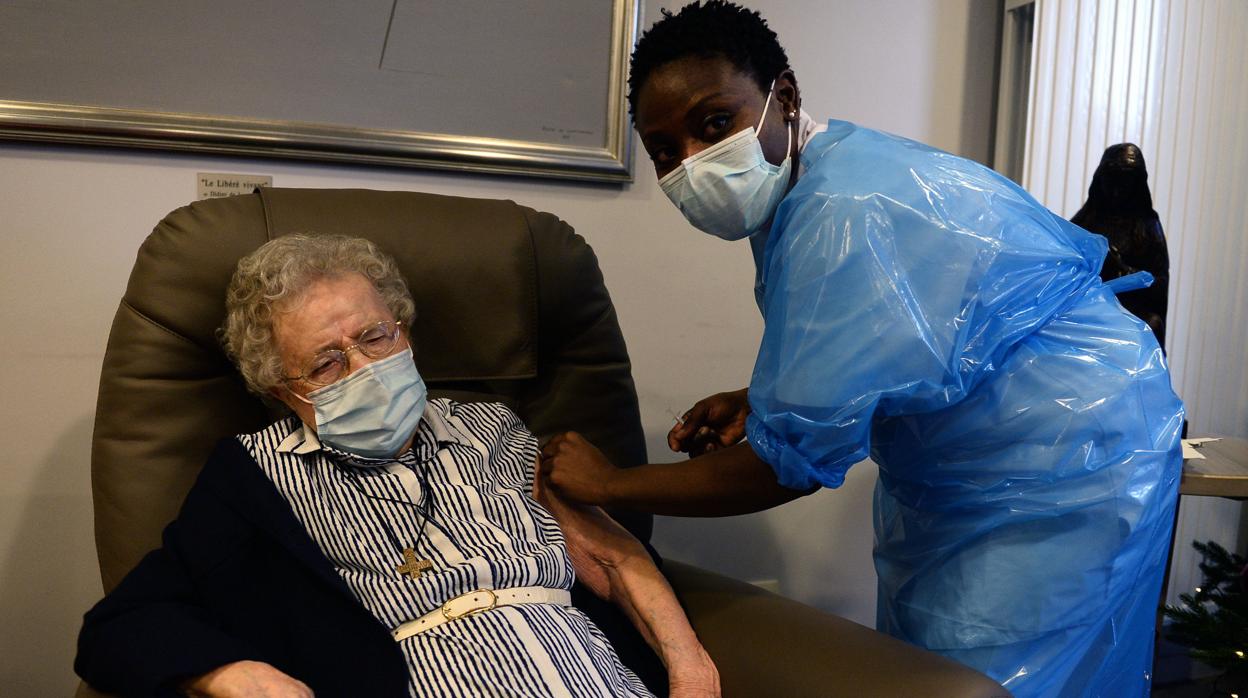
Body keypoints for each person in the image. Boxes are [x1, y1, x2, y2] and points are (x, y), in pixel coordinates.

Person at [539, 2, 1184, 697]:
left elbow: (788, 470)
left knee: (988, 678)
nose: (692, 165)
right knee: (931, 667)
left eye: (714, 124)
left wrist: (609, 485)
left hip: (1065, 458)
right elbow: (914, 335)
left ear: (783, 98)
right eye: (666, 150)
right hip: (1003, 453)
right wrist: (767, 400)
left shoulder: (842, 212)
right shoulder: (815, 180)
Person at [75, 234, 719, 698]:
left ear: (404, 330)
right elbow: (126, 624)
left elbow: (612, 557)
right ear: (282, 390)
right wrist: (230, 674)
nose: (365, 368)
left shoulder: (492, 427)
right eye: (327, 362)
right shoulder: (254, 475)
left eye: (376, 337)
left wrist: (691, 676)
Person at [1072, 143, 1170, 350]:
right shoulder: (1086, 220)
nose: (1117, 190)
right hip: (1089, 305)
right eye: (1112, 179)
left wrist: (1123, 271)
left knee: (1150, 325)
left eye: (1125, 181)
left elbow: (1159, 284)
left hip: (1128, 308)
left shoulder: (1147, 225)